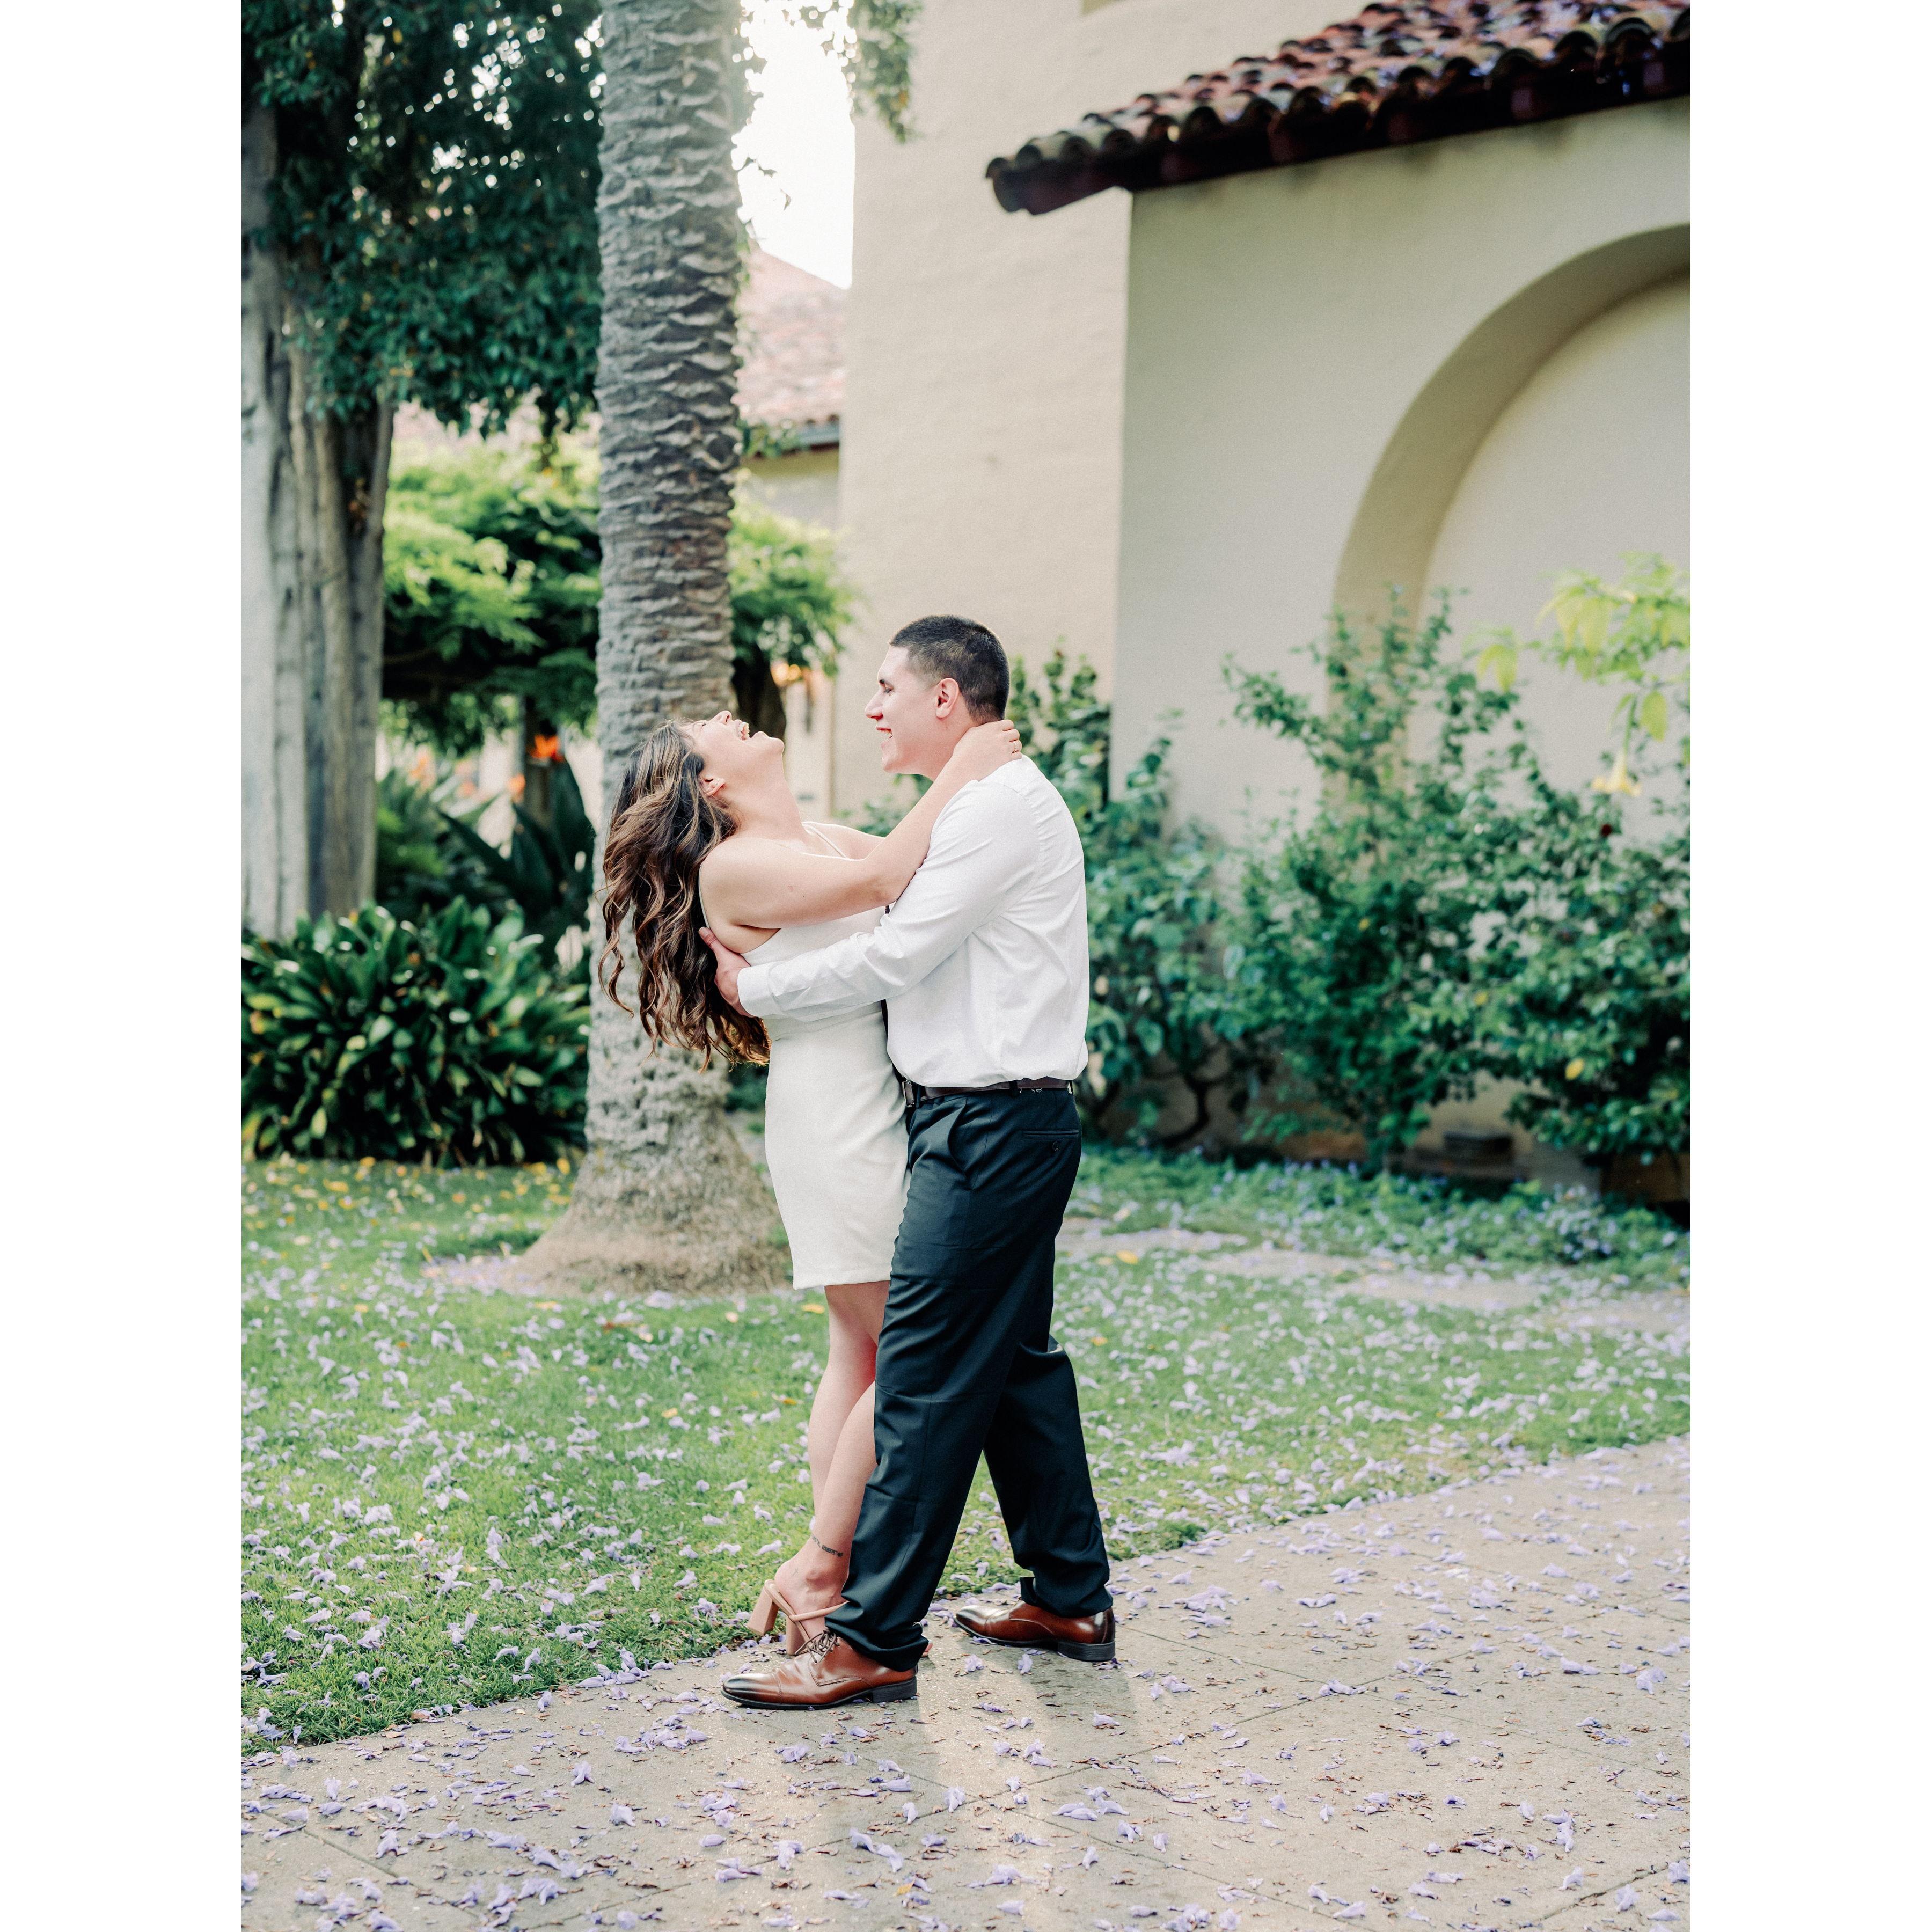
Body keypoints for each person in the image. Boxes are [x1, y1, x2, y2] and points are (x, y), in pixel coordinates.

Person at [702, 614, 1116, 1711]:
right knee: (1016, 1367)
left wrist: (754, 990)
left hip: (989, 1126)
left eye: (888, 687)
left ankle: (872, 1638)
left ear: (947, 698)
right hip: (979, 1122)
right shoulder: (969, 806)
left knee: (922, 1378)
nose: (871, 705)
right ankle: (1070, 1598)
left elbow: (894, 954)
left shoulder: (995, 809)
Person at [598, 702, 1022, 1653]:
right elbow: (883, 879)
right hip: (837, 1121)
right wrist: (965, 763)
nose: (729, 713)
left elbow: (919, 867)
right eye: (710, 727)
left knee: (859, 1349)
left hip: (867, 1102)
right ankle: (819, 1564)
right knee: (907, 1351)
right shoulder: (734, 865)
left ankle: (841, 1577)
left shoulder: (815, 836)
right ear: (711, 784)